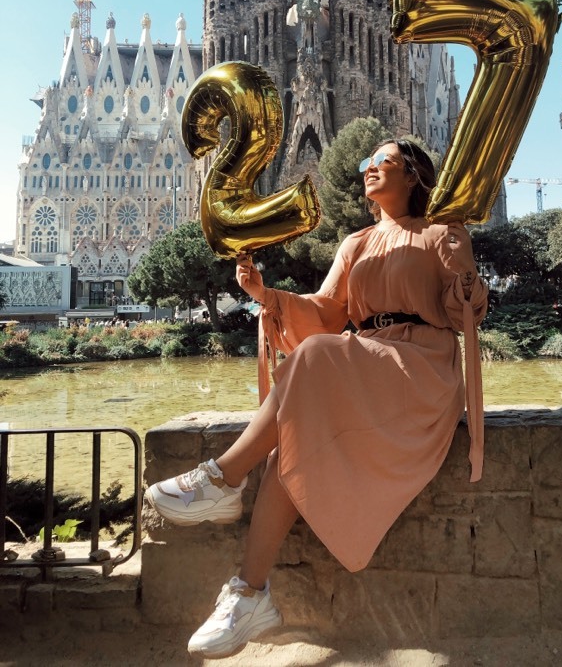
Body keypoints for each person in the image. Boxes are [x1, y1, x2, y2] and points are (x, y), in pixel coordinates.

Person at [145, 138, 488, 659]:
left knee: (317, 356)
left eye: (383, 163)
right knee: (290, 447)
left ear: (414, 175)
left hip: (421, 369)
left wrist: (464, 270)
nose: (369, 169)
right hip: (370, 363)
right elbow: (328, 314)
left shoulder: (444, 233)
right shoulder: (355, 242)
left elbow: (466, 315)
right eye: (365, 163)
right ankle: (249, 593)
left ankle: (223, 477)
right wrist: (267, 296)